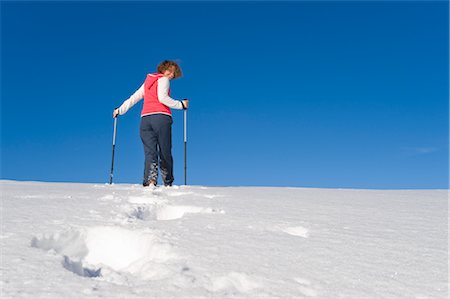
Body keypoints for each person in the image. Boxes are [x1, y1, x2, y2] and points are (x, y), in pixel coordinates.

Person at [113, 60, 189, 187]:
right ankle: (167, 181)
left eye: (173, 74)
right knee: (165, 151)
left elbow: (134, 98)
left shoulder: (147, 82)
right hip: (161, 118)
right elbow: (162, 98)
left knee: (150, 152)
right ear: (163, 69)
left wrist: (119, 110)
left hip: (145, 120)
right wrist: (181, 104)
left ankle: (150, 180)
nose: (171, 75)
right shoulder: (164, 80)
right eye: (170, 71)